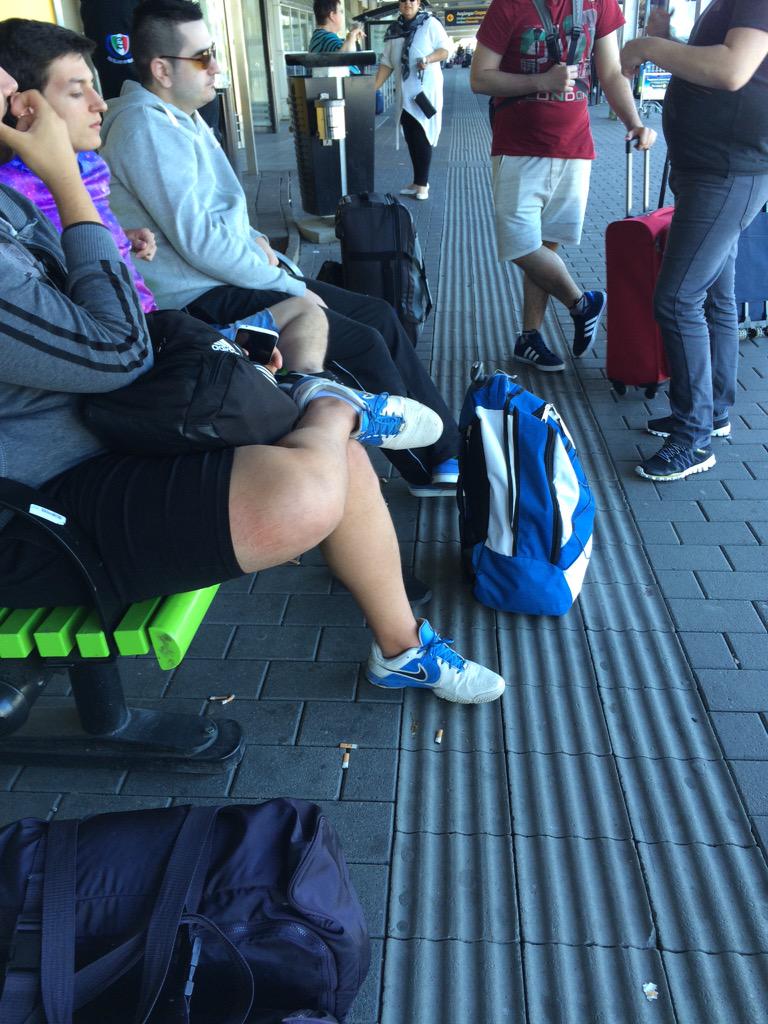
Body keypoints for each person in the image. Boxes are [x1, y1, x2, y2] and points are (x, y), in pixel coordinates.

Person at [0, 63, 505, 705]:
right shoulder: (63, 178)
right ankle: (330, 401)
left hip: (102, 427)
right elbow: (120, 348)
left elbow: (105, 317)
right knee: (306, 487)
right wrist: (68, 185)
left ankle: (401, 650)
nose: (26, 103)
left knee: (333, 452)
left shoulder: (14, 202)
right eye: (11, 98)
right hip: (32, 510)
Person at [99, 0, 460, 499]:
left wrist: (259, 244)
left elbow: (216, 223)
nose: (217, 67)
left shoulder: (180, 118)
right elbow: (201, 242)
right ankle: (435, 465)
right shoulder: (145, 127)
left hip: (226, 276)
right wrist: (286, 282)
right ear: (161, 69)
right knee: (360, 342)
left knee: (378, 314)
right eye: (203, 57)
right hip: (198, 297)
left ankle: (449, 447)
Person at [0, 17, 335, 379]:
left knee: (311, 322)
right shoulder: (20, 193)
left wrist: (118, 238)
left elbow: (69, 243)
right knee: (328, 334)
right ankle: (315, 396)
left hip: (155, 321)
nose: (100, 104)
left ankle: (314, 392)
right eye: (77, 92)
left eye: (93, 87)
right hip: (147, 347)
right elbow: (118, 347)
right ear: (25, 106)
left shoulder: (87, 162)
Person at [620, 1, 768, 482]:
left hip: (725, 173)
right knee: (715, 298)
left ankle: (692, 437)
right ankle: (713, 412)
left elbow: (731, 69)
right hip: (714, 169)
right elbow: (717, 64)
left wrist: (648, 46)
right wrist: (669, 42)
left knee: (678, 298)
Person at [470, 0, 656, 372]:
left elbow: (611, 72)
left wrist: (633, 121)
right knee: (519, 245)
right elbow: (480, 78)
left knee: (546, 247)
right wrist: (540, 81)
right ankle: (581, 303)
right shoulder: (509, 6)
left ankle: (529, 337)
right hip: (518, 147)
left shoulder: (598, 4)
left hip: (574, 147)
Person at [373, 0, 450, 202]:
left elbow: (444, 50)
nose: (408, 3)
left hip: (425, 90)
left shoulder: (430, 23)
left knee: (422, 134)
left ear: (418, 3)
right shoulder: (394, 30)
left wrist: (428, 59)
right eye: (404, 0)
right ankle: (417, 181)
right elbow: (387, 63)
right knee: (411, 135)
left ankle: (423, 184)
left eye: (412, 0)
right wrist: (371, 88)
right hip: (404, 92)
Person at [309, 0, 364, 73]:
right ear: (332, 16)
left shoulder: (319, 37)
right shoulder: (327, 37)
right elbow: (344, 57)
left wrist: (352, 39)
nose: (342, 16)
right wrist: (351, 37)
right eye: (341, 12)